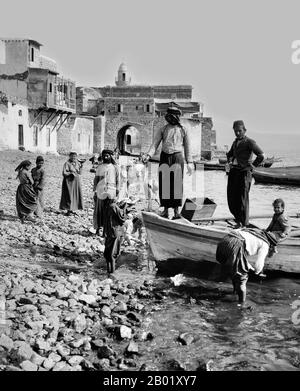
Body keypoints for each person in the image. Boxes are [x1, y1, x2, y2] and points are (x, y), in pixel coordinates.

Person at [142, 106, 194, 219]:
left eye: (172, 117)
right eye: (168, 117)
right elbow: (155, 144)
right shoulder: (163, 129)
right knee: (164, 184)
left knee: (176, 184)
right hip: (165, 157)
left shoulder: (183, 129)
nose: (170, 119)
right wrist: (148, 155)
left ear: (177, 117)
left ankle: (176, 212)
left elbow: (188, 147)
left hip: (177, 157)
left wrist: (190, 162)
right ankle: (165, 210)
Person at [216, 227, 278, 305]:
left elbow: (242, 258)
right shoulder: (265, 244)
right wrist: (258, 272)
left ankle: (235, 293)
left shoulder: (254, 233)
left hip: (225, 240)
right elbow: (259, 264)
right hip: (237, 243)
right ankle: (242, 303)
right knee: (242, 277)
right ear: (271, 245)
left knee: (234, 271)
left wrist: (249, 267)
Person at [226, 120, 264, 228]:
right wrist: (229, 161)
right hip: (234, 172)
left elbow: (261, 155)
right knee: (232, 198)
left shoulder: (250, 142)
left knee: (242, 199)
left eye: (239, 131)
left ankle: (244, 223)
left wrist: (252, 166)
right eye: (235, 131)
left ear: (244, 130)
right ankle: (238, 220)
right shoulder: (235, 142)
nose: (237, 133)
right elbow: (229, 154)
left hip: (244, 173)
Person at [93, 149, 120, 235]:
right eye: (104, 155)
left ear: (111, 156)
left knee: (108, 211)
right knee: (99, 210)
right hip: (101, 191)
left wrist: (117, 191)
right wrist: (95, 190)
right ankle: (98, 229)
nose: (106, 156)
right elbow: (96, 179)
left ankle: (106, 230)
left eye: (107, 155)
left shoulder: (115, 167)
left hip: (111, 191)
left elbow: (118, 180)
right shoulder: (100, 167)